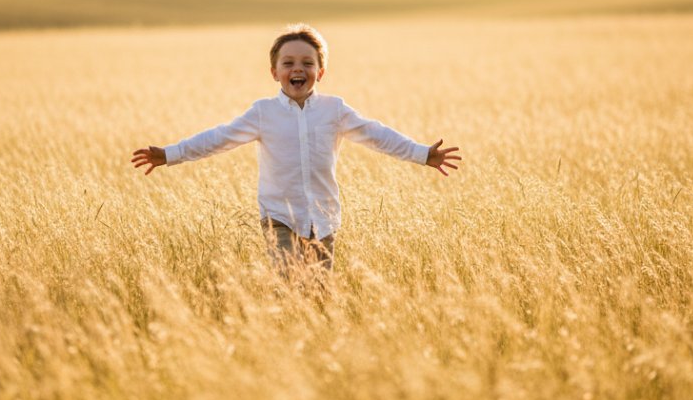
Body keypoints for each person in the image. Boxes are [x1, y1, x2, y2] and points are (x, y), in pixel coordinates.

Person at [132, 23, 460, 281]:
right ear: (274, 72)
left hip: (323, 218)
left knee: (317, 289)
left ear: (321, 71)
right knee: (288, 281)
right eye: (288, 63)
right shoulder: (262, 113)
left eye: (307, 63)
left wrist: (421, 153)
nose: (297, 69)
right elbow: (219, 137)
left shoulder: (335, 110)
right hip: (279, 217)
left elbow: (377, 135)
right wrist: (171, 154)